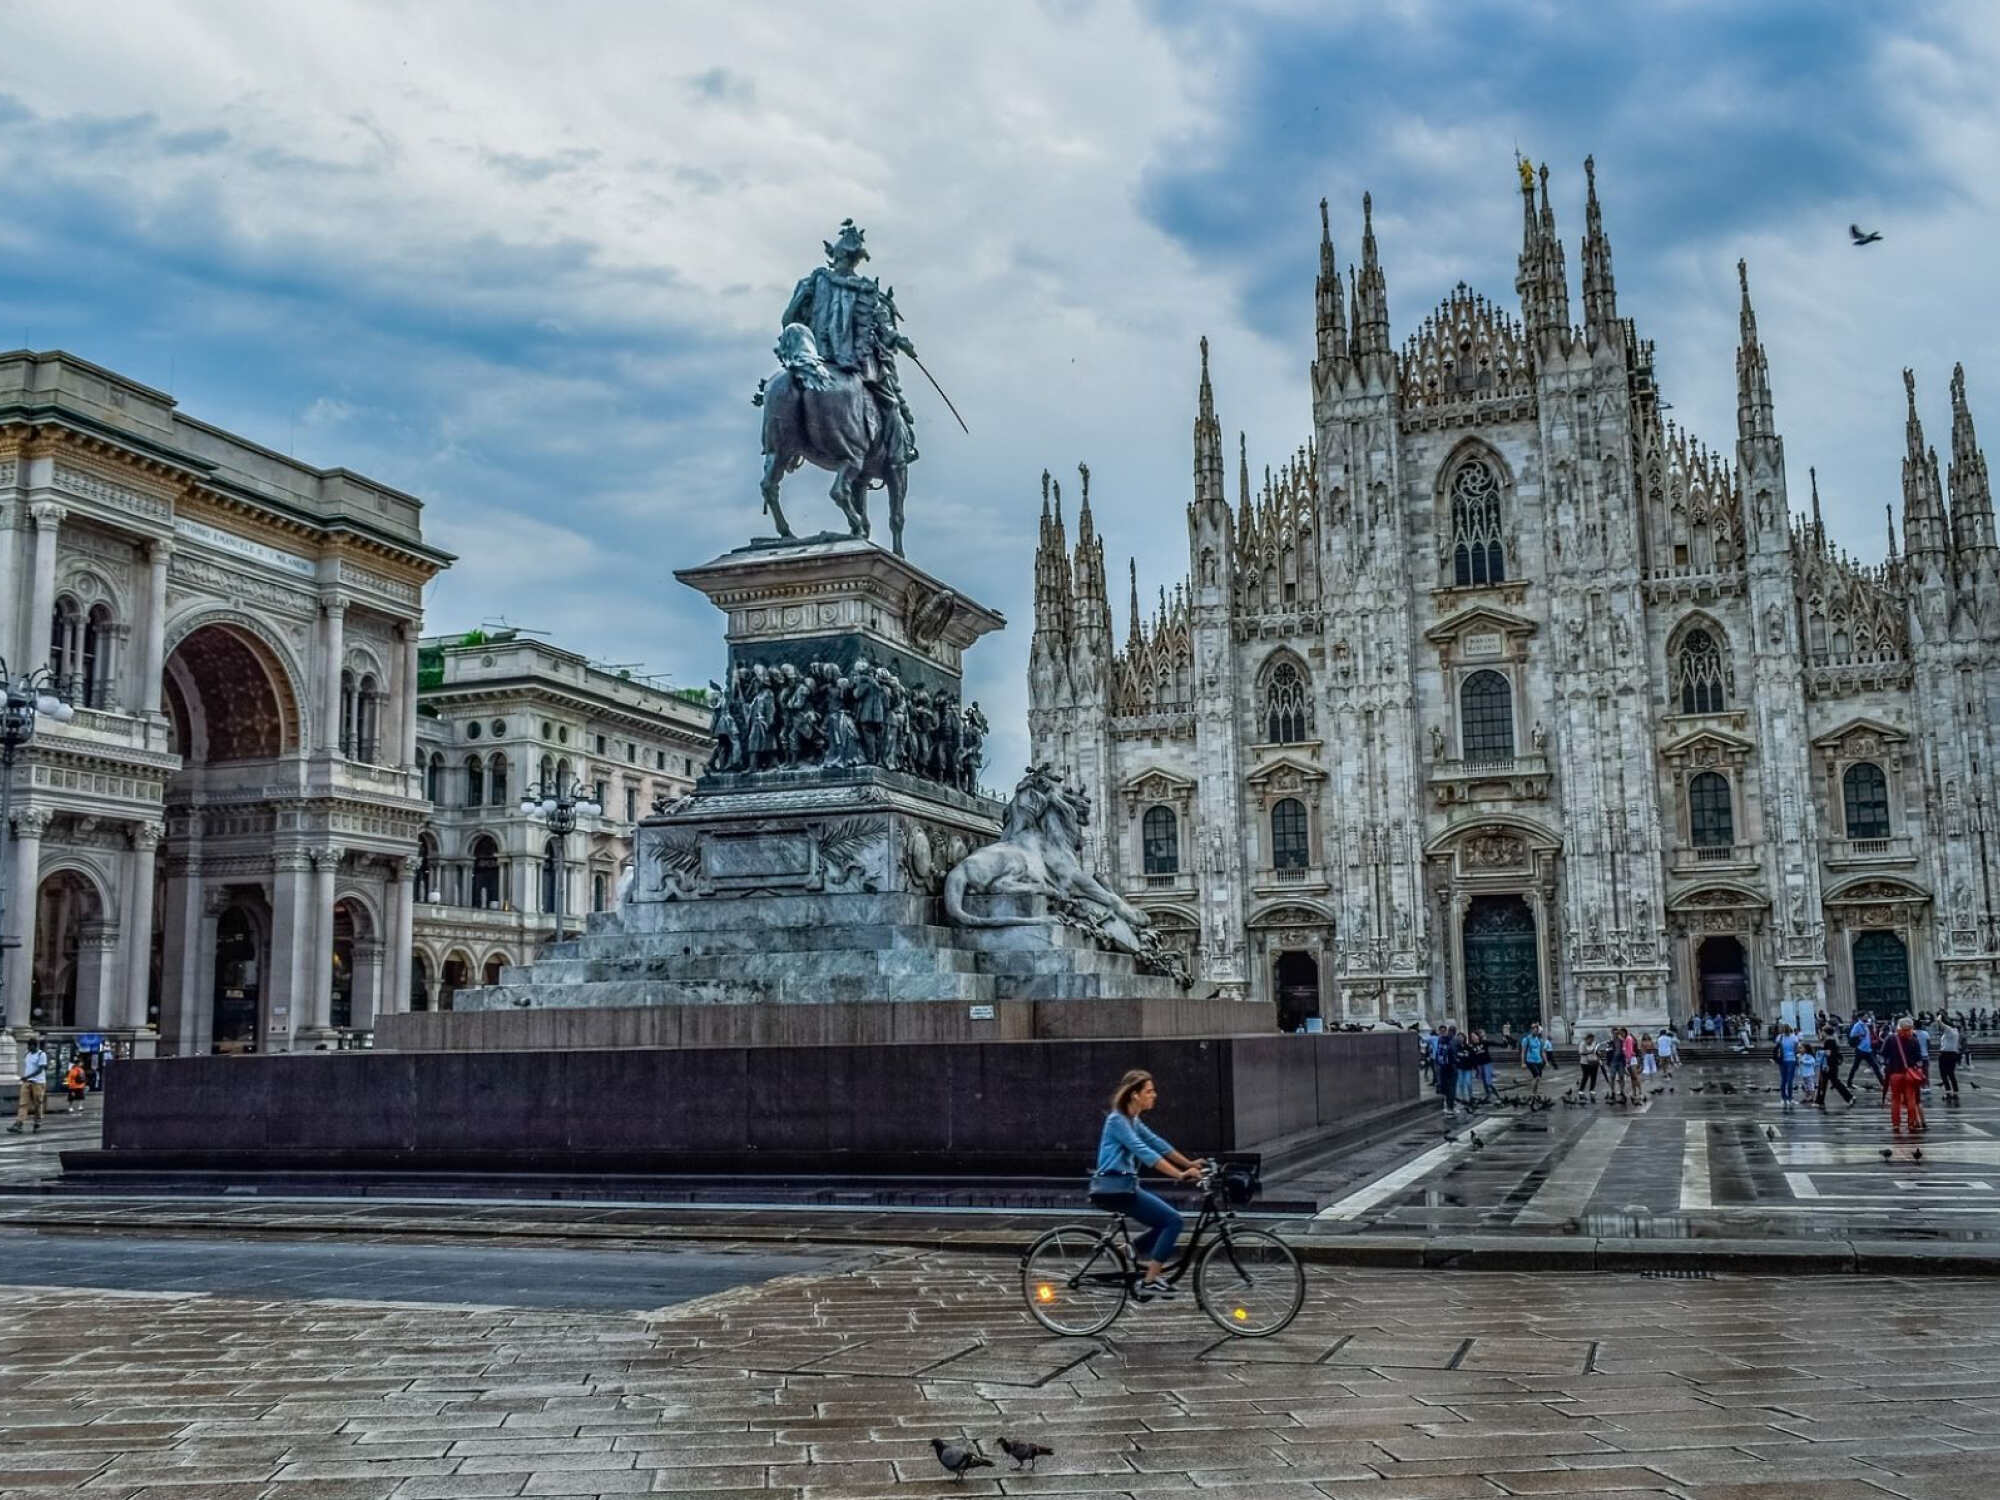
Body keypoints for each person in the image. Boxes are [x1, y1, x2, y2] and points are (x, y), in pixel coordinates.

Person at [1090, 1070, 1206, 1301]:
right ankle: (1150, 1281)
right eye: (1149, 1091)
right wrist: (1180, 1174)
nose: (1155, 1095)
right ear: (1134, 1095)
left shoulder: (1132, 1120)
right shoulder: (1117, 1120)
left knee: (1163, 1222)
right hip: (1115, 1189)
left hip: (1125, 1186)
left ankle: (1126, 1251)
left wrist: (1189, 1163)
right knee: (1173, 1221)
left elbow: (1157, 1144)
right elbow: (1144, 1152)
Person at [1882, 1018, 1927, 1134]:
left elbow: (1883, 1053)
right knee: (1911, 1099)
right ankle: (1911, 1124)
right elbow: (1919, 1058)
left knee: (1895, 1100)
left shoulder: (1891, 1039)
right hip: (1909, 1074)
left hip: (1895, 1073)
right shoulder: (1914, 1040)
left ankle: (1896, 1124)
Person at [8, 1038, 49, 1134]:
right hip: (27, 1082)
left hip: (38, 1083)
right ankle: (19, 1124)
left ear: (34, 1046)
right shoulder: (28, 1054)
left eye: (30, 1046)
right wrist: (26, 1078)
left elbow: (40, 1070)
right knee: (23, 1103)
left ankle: (37, 1123)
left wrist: (27, 1076)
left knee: (38, 1104)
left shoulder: (41, 1055)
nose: (28, 1048)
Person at [1817, 1025, 1854, 1107]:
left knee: (1832, 1082)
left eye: (1822, 1031)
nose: (1821, 1033)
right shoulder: (1833, 1041)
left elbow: (1828, 1053)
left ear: (1825, 1032)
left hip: (1829, 1065)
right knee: (1827, 1082)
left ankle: (1849, 1097)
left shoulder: (1829, 1041)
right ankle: (1819, 1100)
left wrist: (1821, 1052)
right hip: (1832, 1064)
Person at [1848, 1012, 1884, 1094]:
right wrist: (1860, 1035)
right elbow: (1852, 1035)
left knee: (1875, 1067)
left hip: (1867, 1050)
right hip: (1860, 1049)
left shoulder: (1865, 1025)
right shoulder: (1857, 1025)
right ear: (1861, 1017)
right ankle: (1849, 1082)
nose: (1867, 1017)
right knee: (1855, 1067)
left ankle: (1883, 1083)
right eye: (1865, 1016)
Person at [1435, 1025, 1461, 1115]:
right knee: (1452, 1088)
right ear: (1455, 1032)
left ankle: (1447, 1105)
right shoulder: (1455, 1040)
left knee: (1445, 1087)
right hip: (1451, 1067)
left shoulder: (1441, 1039)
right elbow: (1455, 1054)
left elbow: (1438, 1053)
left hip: (1442, 1067)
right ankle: (1451, 1107)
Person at [1521, 1023, 1551, 1098]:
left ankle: (1535, 1092)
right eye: (1534, 1030)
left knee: (1538, 1078)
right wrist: (1523, 1063)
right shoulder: (1526, 1039)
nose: (1535, 1032)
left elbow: (1542, 1052)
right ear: (1531, 1030)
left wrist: (1546, 1062)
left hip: (1539, 1061)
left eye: (1536, 1030)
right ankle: (1533, 1093)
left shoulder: (1539, 1040)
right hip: (1530, 1061)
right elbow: (1523, 1052)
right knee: (1536, 1076)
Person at [1939, 1016, 1963, 1102]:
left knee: (1944, 1074)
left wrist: (1940, 1016)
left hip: (1946, 1054)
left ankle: (1948, 1092)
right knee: (1951, 1074)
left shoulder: (1949, 1030)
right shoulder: (1955, 1031)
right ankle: (1955, 1092)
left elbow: (1939, 1022)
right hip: (1953, 1054)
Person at [1577, 1032, 1600, 1102]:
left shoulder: (1594, 1043)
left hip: (1594, 1061)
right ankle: (1581, 1091)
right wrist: (1590, 1052)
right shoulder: (1583, 1043)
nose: (1591, 1041)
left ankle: (1592, 1090)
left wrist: (1597, 1053)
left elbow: (1596, 1051)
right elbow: (1581, 1052)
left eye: (1592, 1039)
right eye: (1590, 1039)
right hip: (1585, 1063)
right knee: (1585, 1076)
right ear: (1587, 1038)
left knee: (1594, 1076)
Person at [1795, 1039, 1820, 1107]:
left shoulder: (1809, 1055)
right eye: (1799, 1048)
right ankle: (1807, 1097)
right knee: (1806, 1086)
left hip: (1809, 1073)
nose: (1799, 1049)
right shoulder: (1800, 1055)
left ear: (1806, 1049)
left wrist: (1804, 1062)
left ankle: (1812, 1097)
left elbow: (1812, 1062)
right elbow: (1799, 1064)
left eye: (1801, 1048)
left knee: (1810, 1085)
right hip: (1804, 1073)